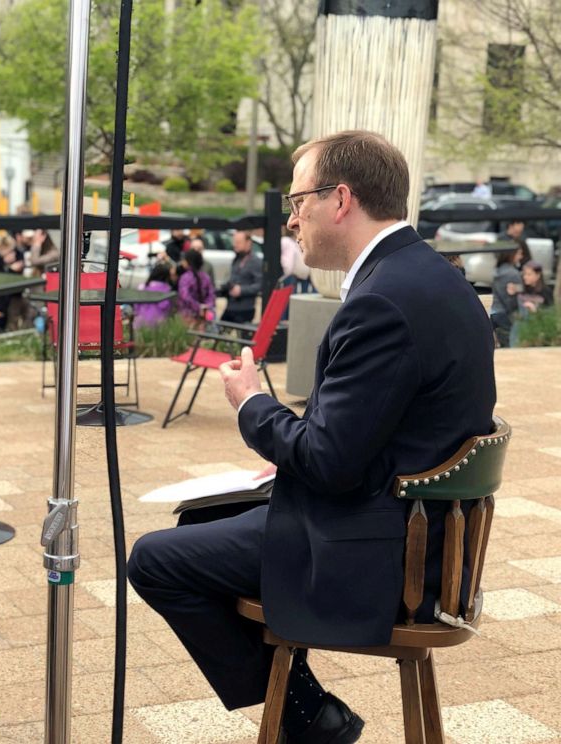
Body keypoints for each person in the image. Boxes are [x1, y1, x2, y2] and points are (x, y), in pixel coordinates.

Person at [128, 130, 495, 744]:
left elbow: (328, 463)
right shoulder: (431, 275)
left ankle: (307, 720)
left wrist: (252, 405)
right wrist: (289, 455)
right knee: (199, 522)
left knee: (157, 559)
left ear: (341, 199)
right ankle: (309, 710)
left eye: (299, 202)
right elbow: (376, 430)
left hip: (389, 556)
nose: (294, 219)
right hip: (421, 527)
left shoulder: (382, 301)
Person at [217, 230, 262, 323]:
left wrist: (241, 290)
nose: (235, 245)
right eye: (234, 242)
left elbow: (260, 285)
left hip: (245, 308)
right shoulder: (236, 259)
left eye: (238, 242)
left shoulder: (255, 261)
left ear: (248, 243)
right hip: (231, 306)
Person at [490, 248, 522, 348]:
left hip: (494, 311)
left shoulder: (498, 271)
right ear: (511, 255)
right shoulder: (513, 274)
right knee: (510, 345)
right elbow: (510, 298)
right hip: (504, 314)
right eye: (519, 254)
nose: (521, 257)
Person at [177, 249, 215, 329]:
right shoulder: (205, 277)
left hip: (187, 314)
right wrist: (206, 307)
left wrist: (198, 307)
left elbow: (185, 296)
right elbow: (211, 295)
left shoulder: (185, 278)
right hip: (203, 314)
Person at [134, 262, 175, 329]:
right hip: (158, 324)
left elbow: (136, 306)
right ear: (166, 276)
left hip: (140, 323)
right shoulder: (167, 289)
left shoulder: (142, 287)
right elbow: (165, 306)